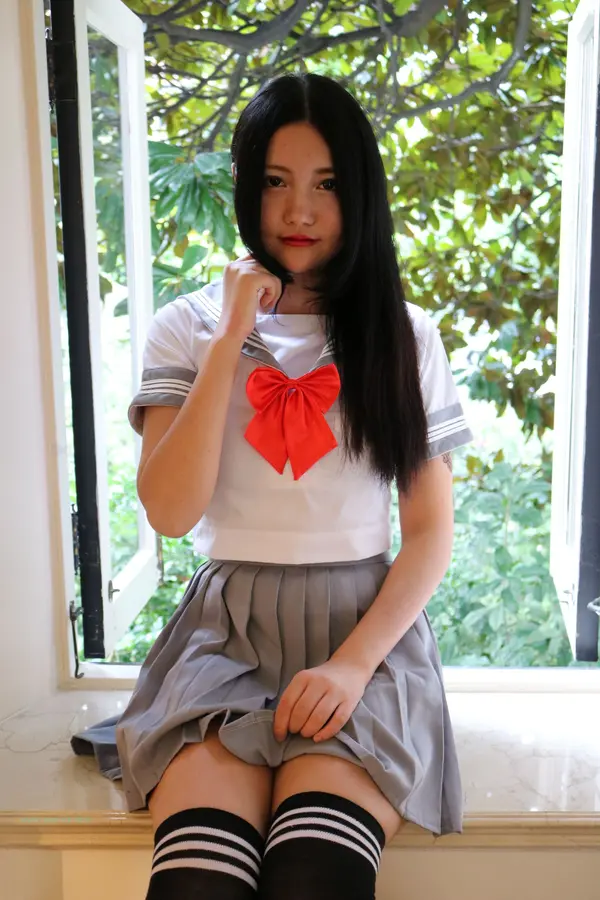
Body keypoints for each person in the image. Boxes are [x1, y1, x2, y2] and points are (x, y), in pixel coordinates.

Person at [72, 72, 474, 900]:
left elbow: (431, 532)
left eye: (326, 184)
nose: (299, 210)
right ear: (245, 186)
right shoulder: (186, 325)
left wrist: (352, 669)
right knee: (197, 883)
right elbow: (171, 512)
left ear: (358, 193)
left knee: (313, 877)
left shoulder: (404, 335)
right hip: (226, 636)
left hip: (363, 634)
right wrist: (230, 338)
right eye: (276, 181)